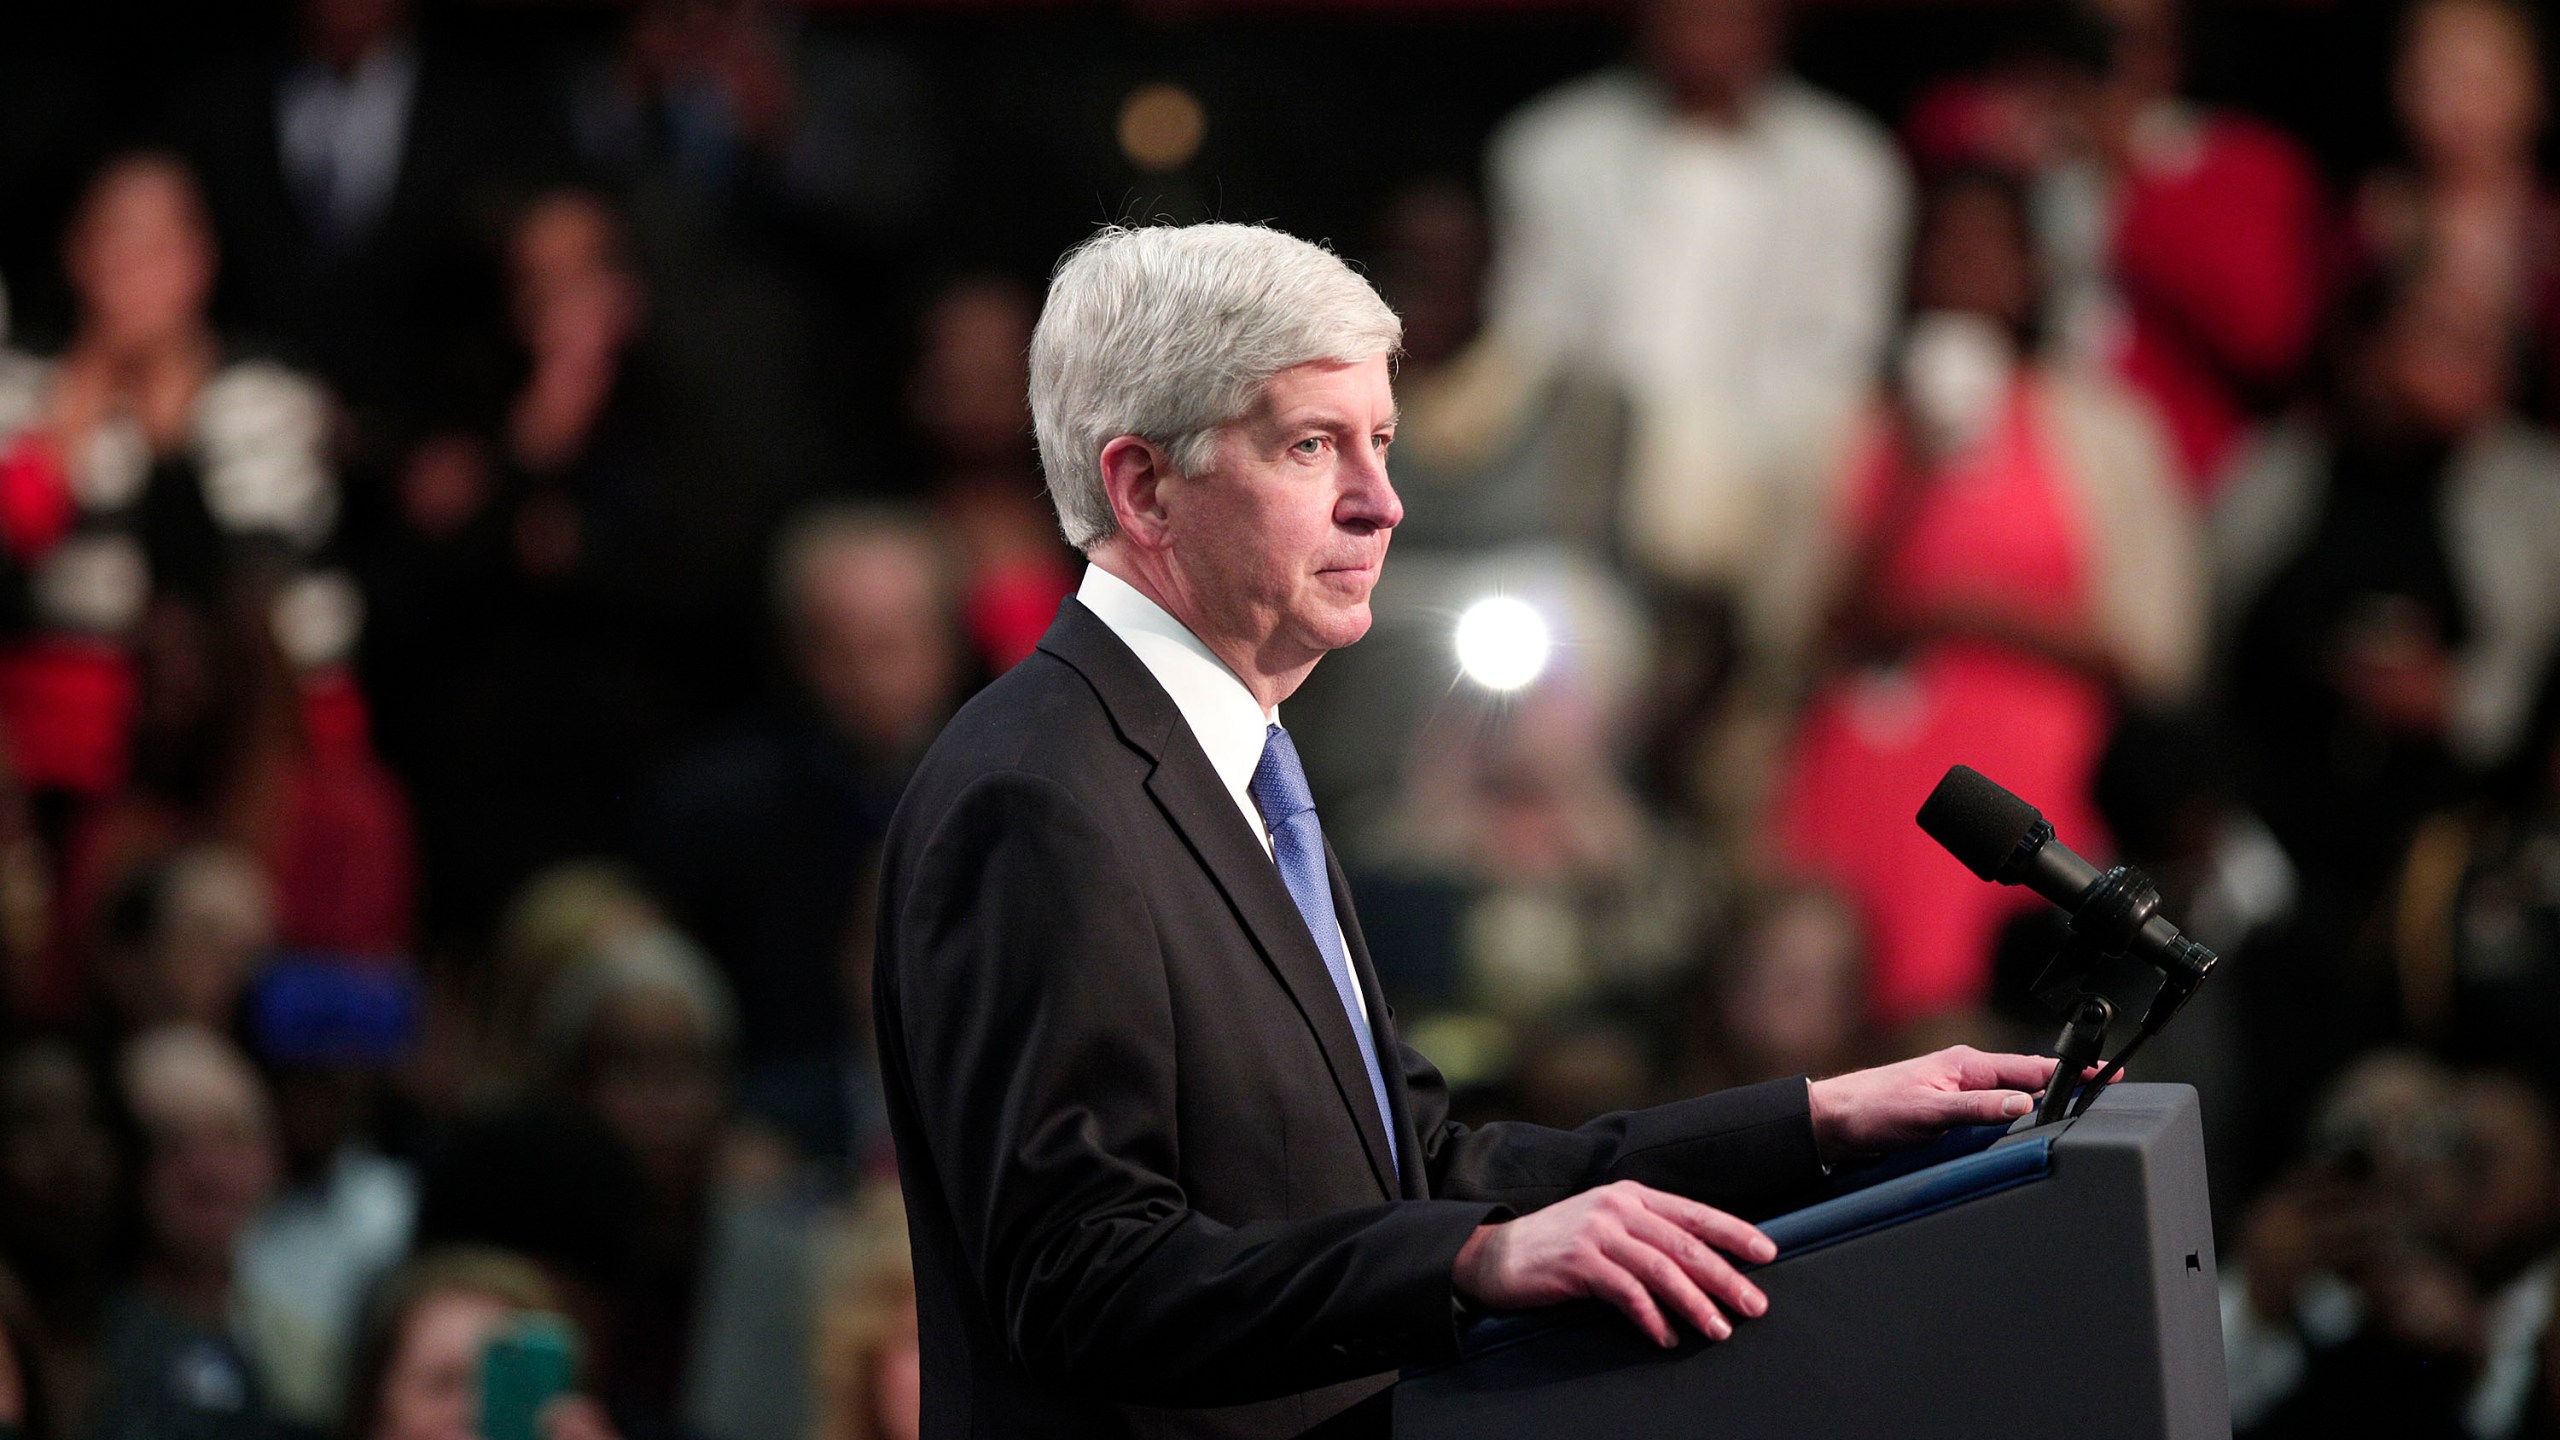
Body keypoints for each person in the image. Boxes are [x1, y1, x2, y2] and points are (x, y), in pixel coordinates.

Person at [873, 221, 2066, 1439]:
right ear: (1142, 489)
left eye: (1381, 442)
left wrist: (1811, 1122)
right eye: (1311, 446)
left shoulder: (1231, 765)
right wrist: (1463, 1264)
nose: (1381, 501)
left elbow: (1419, 1173)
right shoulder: (1039, 797)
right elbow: (1082, 1277)